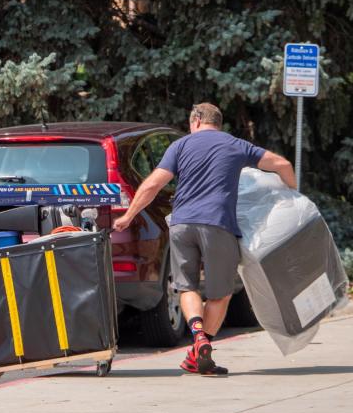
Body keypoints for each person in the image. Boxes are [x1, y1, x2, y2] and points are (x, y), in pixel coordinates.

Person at [113, 103, 296, 376]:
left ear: (197, 120)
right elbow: (282, 164)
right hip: (218, 226)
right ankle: (204, 343)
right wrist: (292, 197)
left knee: (186, 287)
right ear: (217, 122)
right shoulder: (237, 145)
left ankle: (196, 338)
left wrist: (128, 216)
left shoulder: (180, 146)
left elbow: (152, 185)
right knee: (219, 295)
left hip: (182, 224)